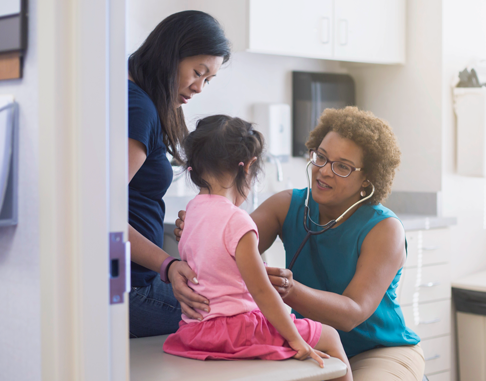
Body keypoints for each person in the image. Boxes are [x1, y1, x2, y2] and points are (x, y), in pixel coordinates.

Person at [175, 107, 426, 380]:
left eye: (342, 166)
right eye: (321, 157)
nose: (324, 172)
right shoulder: (288, 205)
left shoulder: (384, 229)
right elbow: (229, 241)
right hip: (311, 341)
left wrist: (290, 290)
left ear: (368, 179)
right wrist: (203, 228)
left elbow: (352, 314)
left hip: (378, 350)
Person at [163, 115, 352, 381]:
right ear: (249, 166)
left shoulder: (192, 212)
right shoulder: (237, 219)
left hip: (196, 332)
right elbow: (262, 291)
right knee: (330, 335)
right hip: (237, 331)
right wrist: (296, 339)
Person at [127, 10, 231, 338]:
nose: (199, 87)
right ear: (171, 53)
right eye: (197, 72)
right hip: (130, 289)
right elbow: (100, 213)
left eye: (208, 79)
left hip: (131, 280)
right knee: (244, 313)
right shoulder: (138, 108)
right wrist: (168, 265)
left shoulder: (130, 94)